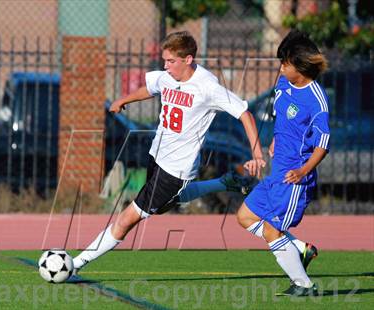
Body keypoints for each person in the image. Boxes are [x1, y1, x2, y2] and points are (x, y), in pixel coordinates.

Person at [72, 31, 266, 272]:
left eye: (171, 61)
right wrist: (124, 100)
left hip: (177, 169)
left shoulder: (208, 86)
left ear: (188, 59)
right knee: (165, 204)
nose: (166, 66)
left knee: (127, 218)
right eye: (164, 60)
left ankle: (74, 264)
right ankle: (224, 182)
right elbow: (151, 87)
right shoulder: (167, 77)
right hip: (156, 155)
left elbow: (245, 114)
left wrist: (257, 154)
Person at [237, 29, 329, 296]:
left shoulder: (317, 100)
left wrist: (302, 171)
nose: (281, 67)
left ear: (299, 67)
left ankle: (304, 286)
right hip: (276, 173)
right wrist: (277, 139)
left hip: (293, 180)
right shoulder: (283, 85)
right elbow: (282, 118)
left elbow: (323, 144)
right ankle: (300, 249)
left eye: (285, 63)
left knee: (270, 230)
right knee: (244, 217)